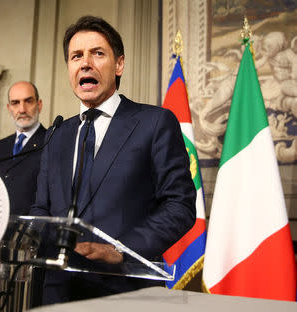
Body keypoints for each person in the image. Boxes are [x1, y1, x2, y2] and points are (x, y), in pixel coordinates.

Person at [30, 15, 196, 304]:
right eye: (76, 56)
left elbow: (179, 205)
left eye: (97, 53)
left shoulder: (153, 123)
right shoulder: (57, 134)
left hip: (124, 288)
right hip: (58, 291)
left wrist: (121, 249)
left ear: (119, 64)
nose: (85, 63)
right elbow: (42, 208)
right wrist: (20, 240)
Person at [0, 81, 46, 312]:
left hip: (32, 251)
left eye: (28, 101)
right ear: (9, 108)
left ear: (39, 104)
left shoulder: (51, 141)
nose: (22, 109)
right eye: (15, 103)